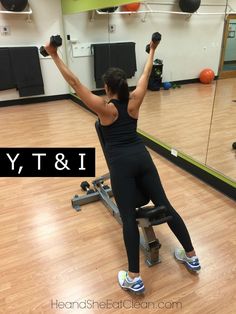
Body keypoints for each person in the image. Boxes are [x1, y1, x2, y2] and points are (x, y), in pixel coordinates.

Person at [45, 36, 201, 295]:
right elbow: (146, 73)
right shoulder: (135, 100)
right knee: (166, 205)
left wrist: (53, 54)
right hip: (143, 158)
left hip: (122, 165)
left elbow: (74, 83)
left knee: (128, 218)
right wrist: (152, 51)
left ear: (107, 88)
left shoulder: (105, 110)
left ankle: (134, 277)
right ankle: (192, 256)